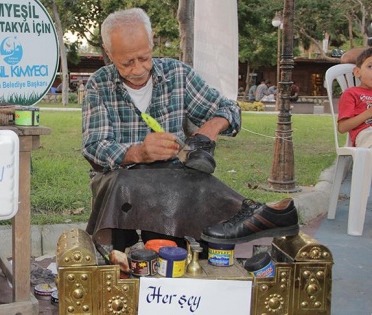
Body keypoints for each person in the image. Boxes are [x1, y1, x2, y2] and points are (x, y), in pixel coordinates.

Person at [82, 8, 299, 253]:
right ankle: (256, 214)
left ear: (152, 41)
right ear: (108, 53)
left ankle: (247, 218)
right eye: (126, 63)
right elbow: (94, 146)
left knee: (188, 181)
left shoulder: (177, 75)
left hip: (171, 181)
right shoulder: (99, 84)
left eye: (144, 58)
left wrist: (210, 128)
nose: (138, 69)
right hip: (119, 184)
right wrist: (138, 153)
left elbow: (229, 109)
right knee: (136, 182)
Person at [337, 47, 372, 148]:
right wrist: (368, 113)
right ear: (357, 72)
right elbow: (342, 127)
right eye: (371, 66)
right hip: (366, 134)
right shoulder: (351, 93)